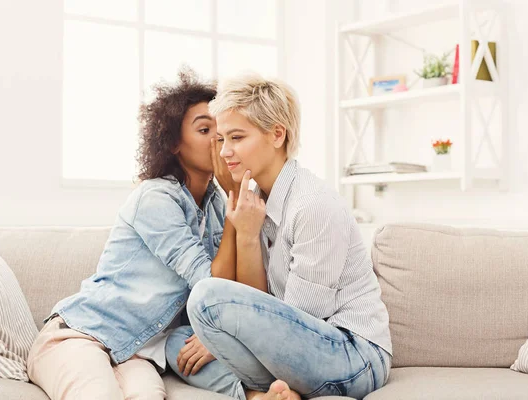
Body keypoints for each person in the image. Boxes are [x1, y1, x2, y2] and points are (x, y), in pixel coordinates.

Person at [166, 73, 393, 400]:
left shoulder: (312, 206)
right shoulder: (257, 200)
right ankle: (262, 396)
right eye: (222, 139)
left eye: (237, 137)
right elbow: (263, 307)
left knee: (206, 299)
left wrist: (224, 336)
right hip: (300, 346)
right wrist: (246, 235)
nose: (225, 152)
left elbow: (299, 320)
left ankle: (259, 388)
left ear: (276, 134)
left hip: (353, 355)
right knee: (178, 341)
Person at [26, 68, 239, 400]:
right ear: (173, 144)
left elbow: (232, 291)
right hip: (78, 336)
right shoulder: (156, 198)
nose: (218, 139)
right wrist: (235, 196)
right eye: (204, 129)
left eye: (223, 130)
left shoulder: (216, 205)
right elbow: (211, 284)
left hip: (134, 351)